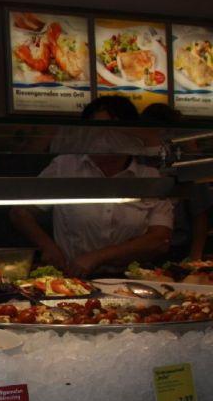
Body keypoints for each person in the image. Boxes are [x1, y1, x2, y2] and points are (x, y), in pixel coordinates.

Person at [10, 96, 173, 276]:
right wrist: (48, 247)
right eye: (97, 129)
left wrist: (98, 257)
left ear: (132, 132)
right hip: (72, 277)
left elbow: (160, 239)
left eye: (114, 129)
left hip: (131, 278)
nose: (105, 137)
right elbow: (20, 212)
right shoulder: (65, 166)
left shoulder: (148, 176)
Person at [140, 103, 212, 260]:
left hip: (177, 249)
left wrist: (195, 256)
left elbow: (200, 214)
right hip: (139, 246)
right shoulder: (135, 162)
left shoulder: (186, 165)